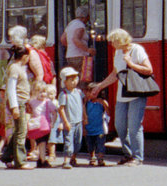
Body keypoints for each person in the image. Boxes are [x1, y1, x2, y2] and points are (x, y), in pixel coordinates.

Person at [92, 29, 153, 166]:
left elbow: (149, 70)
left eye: (113, 41)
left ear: (120, 40)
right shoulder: (117, 52)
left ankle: (137, 157)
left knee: (134, 126)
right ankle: (128, 154)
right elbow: (115, 73)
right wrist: (100, 86)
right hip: (122, 94)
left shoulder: (137, 50)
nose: (111, 43)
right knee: (120, 125)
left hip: (136, 93)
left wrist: (131, 64)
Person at [1, 38, 33, 169]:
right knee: (21, 132)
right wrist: (14, 107)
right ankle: (20, 161)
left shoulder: (18, 67)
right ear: (24, 56)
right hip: (18, 102)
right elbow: (11, 88)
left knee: (19, 130)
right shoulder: (14, 68)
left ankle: (7, 156)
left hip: (22, 102)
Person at [57, 68, 84, 168]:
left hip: (79, 121)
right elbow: (61, 109)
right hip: (70, 122)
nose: (74, 82)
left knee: (78, 141)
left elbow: (82, 105)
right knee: (69, 141)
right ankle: (66, 161)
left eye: (76, 79)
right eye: (71, 80)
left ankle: (73, 158)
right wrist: (65, 122)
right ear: (65, 82)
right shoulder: (63, 94)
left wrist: (84, 117)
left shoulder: (79, 92)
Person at [62, 5, 93, 80]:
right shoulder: (80, 25)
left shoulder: (71, 24)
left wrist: (71, 47)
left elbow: (63, 39)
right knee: (83, 79)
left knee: (74, 78)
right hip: (80, 56)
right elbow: (76, 39)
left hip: (70, 56)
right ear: (86, 16)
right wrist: (87, 50)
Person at [83, 83, 108, 166]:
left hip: (100, 129)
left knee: (100, 144)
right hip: (89, 128)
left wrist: (103, 103)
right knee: (90, 145)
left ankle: (100, 159)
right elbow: (84, 114)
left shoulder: (101, 102)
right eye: (90, 92)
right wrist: (84, 127)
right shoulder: (86, 103)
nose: (92, 94)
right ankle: (92, 157)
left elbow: (108, 112)